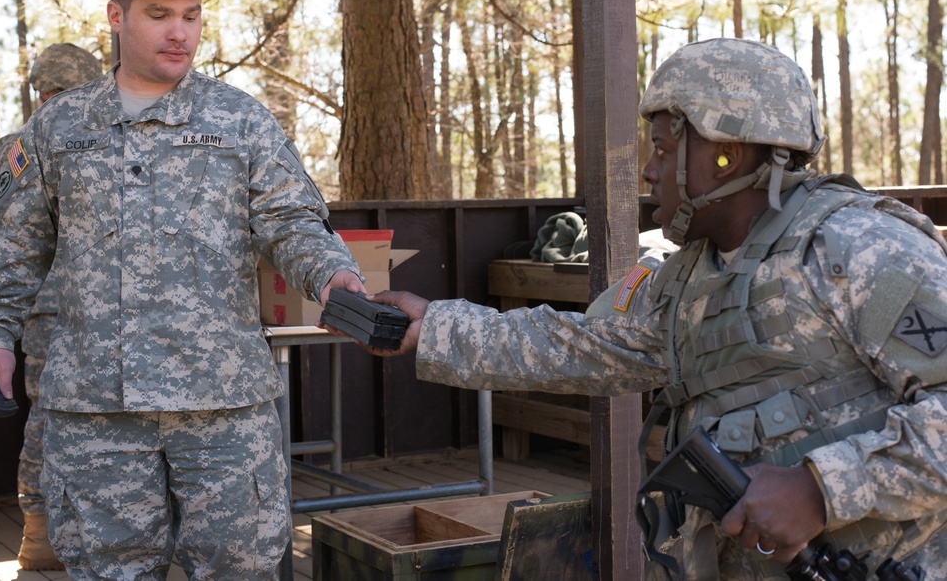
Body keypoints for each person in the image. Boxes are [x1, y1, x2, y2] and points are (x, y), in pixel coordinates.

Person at [351, 39, 947, 580]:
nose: (649, 170)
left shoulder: (858, 248)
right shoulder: (688, 275)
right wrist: (435, 327)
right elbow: (586, 347)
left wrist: (821, 490)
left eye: (664, 148)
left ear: (726, 156)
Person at [0, 0, 363, 580]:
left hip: (222, 401)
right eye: (158, 14)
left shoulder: (239, 120)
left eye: (191, 15)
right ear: (116, 17)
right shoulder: (57, 127)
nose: (180, 32)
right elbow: (16, 246)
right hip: (95, 408)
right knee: (105, 569)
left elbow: (290, 223)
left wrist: (334, 277)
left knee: (240, 567)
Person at [0, 42, 103, 571]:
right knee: (59, 424)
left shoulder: (23, 145)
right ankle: (44, 539)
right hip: (63, 315)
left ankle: (47, 539)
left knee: (56, 425)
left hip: (74, 315)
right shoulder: (28, 146)